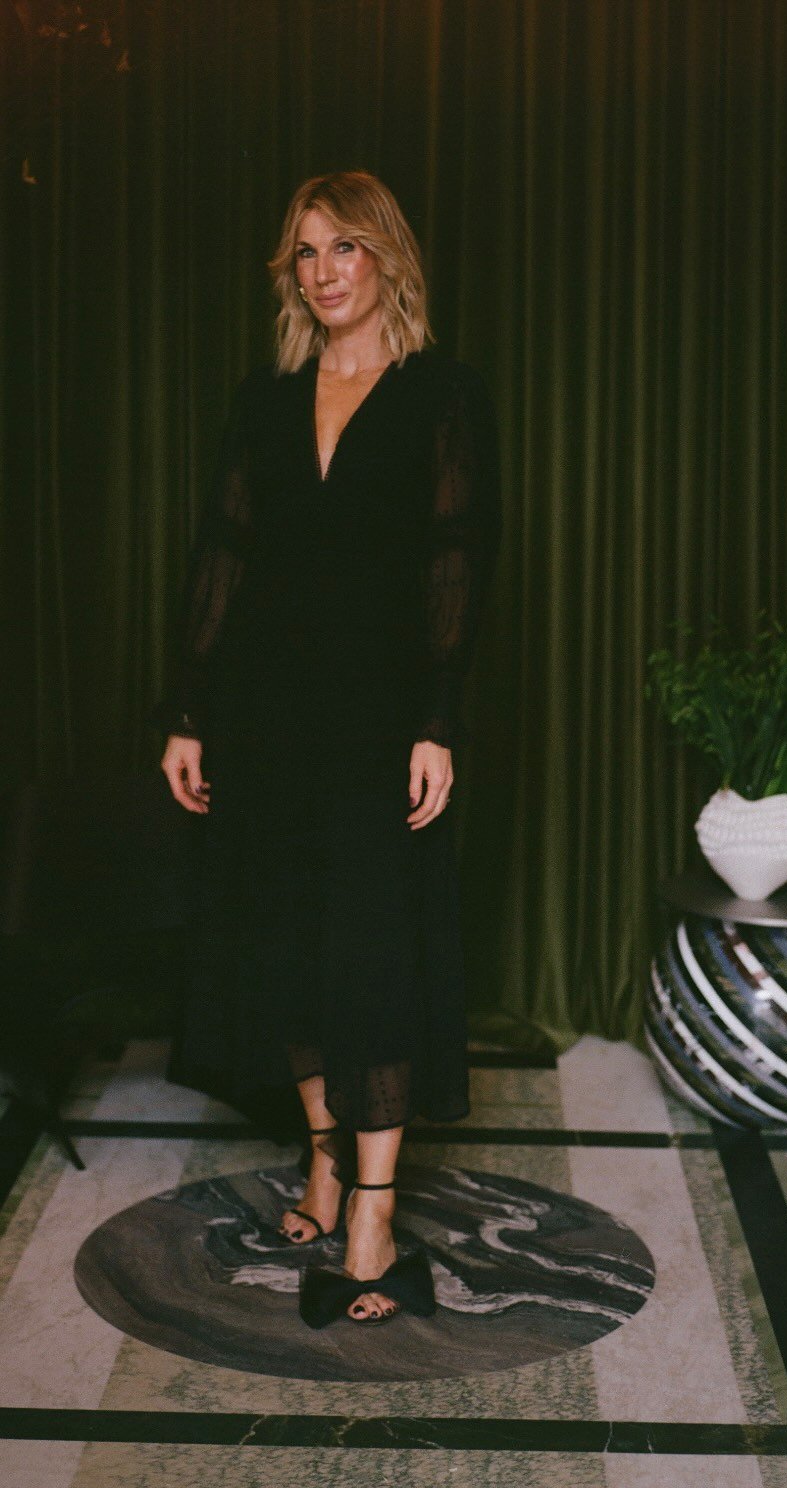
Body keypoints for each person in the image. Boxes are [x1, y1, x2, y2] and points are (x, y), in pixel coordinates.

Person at [152, 169, 502, 1328]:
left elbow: (456, 558)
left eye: (344, 247)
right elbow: (222, 555)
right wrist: (188, 712)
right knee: (288, 942)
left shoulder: (441, 393)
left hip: (378, 721)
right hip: (264, 718)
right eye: (304, 253)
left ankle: (373, 1214)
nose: (323, 272)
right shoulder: (265, 400)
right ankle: (320, 1161)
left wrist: (436, 722)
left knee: (372, 953)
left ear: (387, 258)